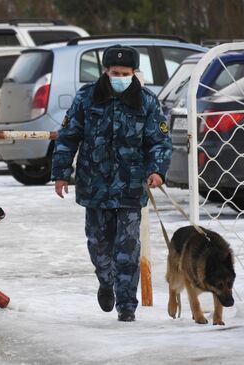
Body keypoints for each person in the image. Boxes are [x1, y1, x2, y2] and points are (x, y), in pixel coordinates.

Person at [51, 45, 172, 322]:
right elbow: (68, 136)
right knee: (99, 246)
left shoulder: (146, 102)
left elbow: (160, 142)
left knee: (128, 250)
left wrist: (157, 170)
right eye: (115, 72)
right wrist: (60, 173)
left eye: (125, 73)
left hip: (130, 188)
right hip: (94, 187)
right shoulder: (86, 98)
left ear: (133, 73)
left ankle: (127, 306)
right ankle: (106, 282)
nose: (119, 76)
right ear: (105, 71)